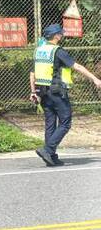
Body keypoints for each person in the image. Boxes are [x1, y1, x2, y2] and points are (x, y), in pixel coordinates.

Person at [30, 24, 101, 166]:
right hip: (57, 92)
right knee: (65, 122)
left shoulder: (39, 50)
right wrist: (95, 79)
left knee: (50, 124)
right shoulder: (58, 51)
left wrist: (33, 92)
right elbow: (77, 66)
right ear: (56, 36)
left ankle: (51, 156)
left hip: (43, 92)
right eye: (60, 33)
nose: (62, 35)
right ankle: (48, 149)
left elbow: (32, 73)